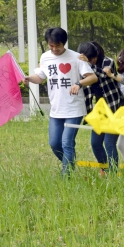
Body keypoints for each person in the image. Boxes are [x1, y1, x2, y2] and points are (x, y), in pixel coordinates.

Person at [23, 27, 97, 176]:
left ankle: (66, 175)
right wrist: (29, 79)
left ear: (64, 43)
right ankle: (68, 162)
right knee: (54, 143)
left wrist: (79, 83)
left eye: (57, 45)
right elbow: (40, 77)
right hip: (56, 108)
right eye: (51, 45)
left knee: (67, 143)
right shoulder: (45, 58)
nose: (54, 49)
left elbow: (93, 77)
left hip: (74, 108)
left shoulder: (76, 57)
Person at [77, 41, 124, 173]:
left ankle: (113, 173)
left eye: (92, 59)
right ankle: (104, 168)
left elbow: (104, 75)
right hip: (99, 111)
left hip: (114, 108)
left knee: (109, 143)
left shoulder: (107, 62)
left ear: (96, 55)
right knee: (95, 143)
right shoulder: (82, 65)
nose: (91, 61)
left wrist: (88, 64)